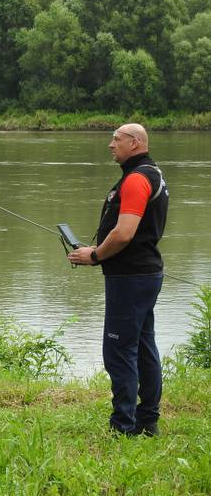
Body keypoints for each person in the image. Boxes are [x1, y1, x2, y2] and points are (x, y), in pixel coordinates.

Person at [68, 123, 169, 437]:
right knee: (142, 345)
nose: (111, 145)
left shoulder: (137, 179)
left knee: (118, 350)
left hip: (131, 277)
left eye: (116, 139)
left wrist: (94, 255)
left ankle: (122, 426)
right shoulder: (151, 173)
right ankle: (147, 421)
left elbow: (124, 233)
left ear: (134, 143)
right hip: (144, 274)